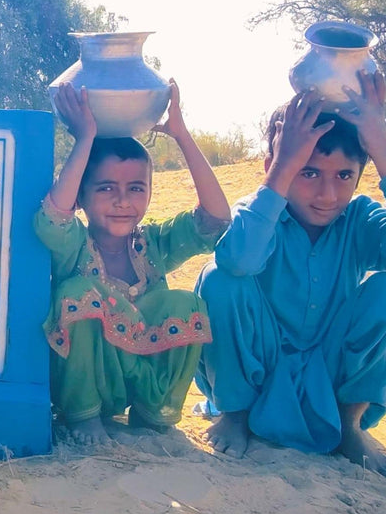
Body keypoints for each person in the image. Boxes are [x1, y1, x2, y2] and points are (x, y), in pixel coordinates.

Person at [196, 74, 386, 472]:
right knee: (220, 278)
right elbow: (239, 263)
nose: (328, 195)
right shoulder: (260, 211)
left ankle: (348, 423)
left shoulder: (360, 219)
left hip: (333, 373)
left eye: (344, 176)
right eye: (309, 172)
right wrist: (283, 168)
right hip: (258, 369)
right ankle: (235, 415)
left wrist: (378, 140)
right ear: (276, 167)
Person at [35, 82, 231, 444]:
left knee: (185, 302)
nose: (123, 200)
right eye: (106, 188)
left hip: (134, 382)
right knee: (79, 292)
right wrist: (85, 138)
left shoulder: (153, 244)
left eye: (136, 188)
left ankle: (152, 415)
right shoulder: (74, 244)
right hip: (84, 385)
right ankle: (84, 418)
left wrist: (182, 135)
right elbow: (53, 218)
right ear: (82, 196)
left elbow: (216, 220)